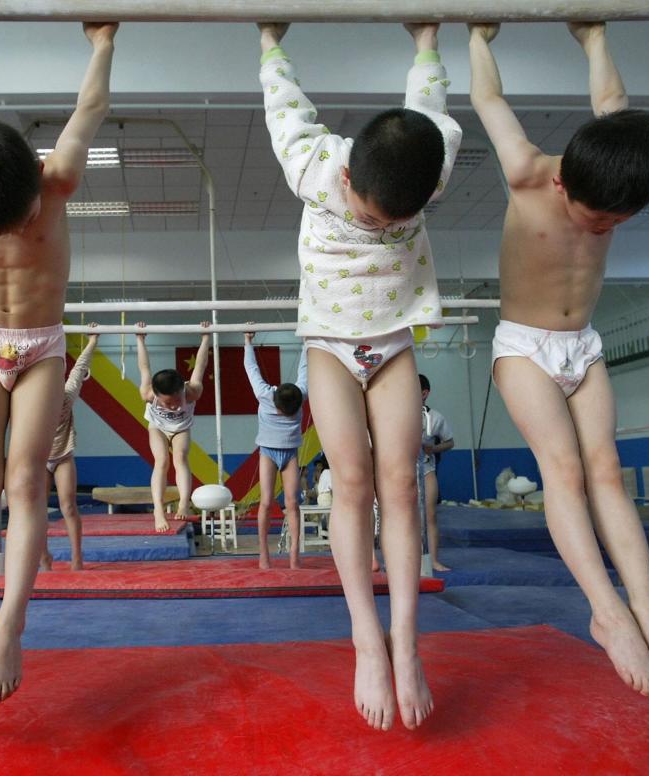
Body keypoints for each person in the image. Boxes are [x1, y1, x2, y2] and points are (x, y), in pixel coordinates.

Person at [469, 20, 649, 702]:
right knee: (563, 469)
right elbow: (488, 102)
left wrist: (593, 36)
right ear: (566, 187)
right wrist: (480, 37)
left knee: (607, 469)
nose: (603, 232)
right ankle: (607, 610)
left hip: (584, 344)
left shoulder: (613, 171)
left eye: (616, 226)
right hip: (525, 346)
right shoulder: (527, 174)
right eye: (597, 219)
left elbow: (613, 108)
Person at [257, 21, 461, 732]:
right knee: (351, 480)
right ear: (347, 179)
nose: (383, 227)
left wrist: (427, 40)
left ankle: (406, 642)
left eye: (396, 222)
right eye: (375, 218)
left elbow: (430, 110)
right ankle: (364, 638)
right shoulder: (315, 163)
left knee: (399, 483)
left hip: (395, 342)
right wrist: (269, 40)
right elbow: (286, 106)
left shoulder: (431, 166)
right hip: (331, 347)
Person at [0, 20, 116, 706]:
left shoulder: (58, 178)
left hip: (40, 348)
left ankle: (11, 624)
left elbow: (87, 110)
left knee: (25, 482)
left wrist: (102, 44)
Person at [243, 330, 308, 569]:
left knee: (292, 503)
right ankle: (264, 555)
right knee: (266, 502)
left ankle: (294, 555)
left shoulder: (301, 394)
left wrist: (306, 344)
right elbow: (252, 369)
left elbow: (305, 368)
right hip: (268, 453)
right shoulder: (265, 394)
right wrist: (247, 341)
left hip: (290, 454)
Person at [137, 327, 211, 532]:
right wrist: (140, 340)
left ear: (182, 390)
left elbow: (201, 366)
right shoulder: (148, 394)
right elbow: (144, 367)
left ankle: (183, 504)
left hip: (181, 428)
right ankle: (158, 511)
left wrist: (206, 338)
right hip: (158, 427)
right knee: (161, 461)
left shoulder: (192, 391)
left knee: (180, 458)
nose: (174, 406)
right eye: (167, 403)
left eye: (177, 400)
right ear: (157, 395)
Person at [39, 330, 100, 572]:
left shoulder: (66, 395)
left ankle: (77, 557)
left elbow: (79, 367)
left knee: (68, 506)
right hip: (38, 459)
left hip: (63, 456)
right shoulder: (32, 403)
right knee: (37, 509)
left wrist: (93, 341)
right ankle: (43, 555)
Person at [418, 374, 454, 571]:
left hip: (426, 467)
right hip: (402, 470)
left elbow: (450, 442)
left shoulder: (434, 418)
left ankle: (433, 560)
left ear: (424, 393)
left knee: (430, 515)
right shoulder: (397, 414)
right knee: (405, 515)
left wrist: (433, 449)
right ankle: (406, 560)